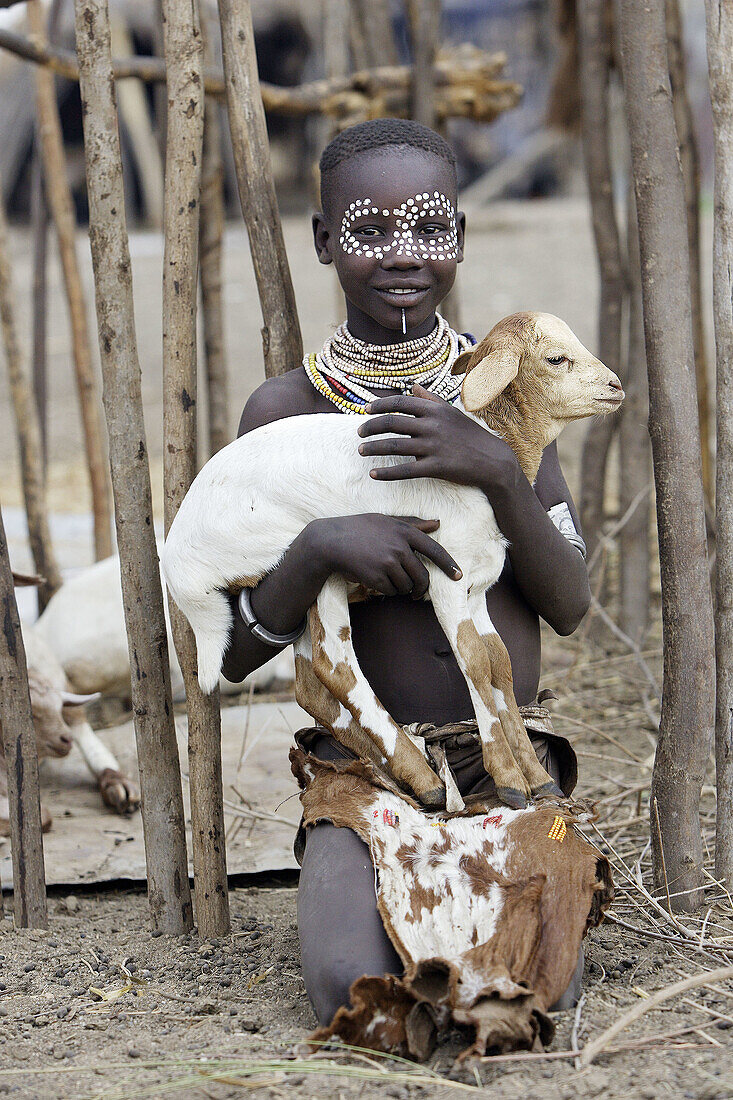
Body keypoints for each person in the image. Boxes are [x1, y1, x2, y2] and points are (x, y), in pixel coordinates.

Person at [221, 119, 591, 1024]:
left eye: (428, 228)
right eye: (370, 231)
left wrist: (497, 469)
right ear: (321, 242)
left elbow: (570, 603)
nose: (403, 255)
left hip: (510, 764)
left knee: (539, 982)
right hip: (362, 770)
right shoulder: (285, 412)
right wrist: (315, 551)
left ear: (459, 239)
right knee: (349, 989)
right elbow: (235, 648)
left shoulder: (509, 394)